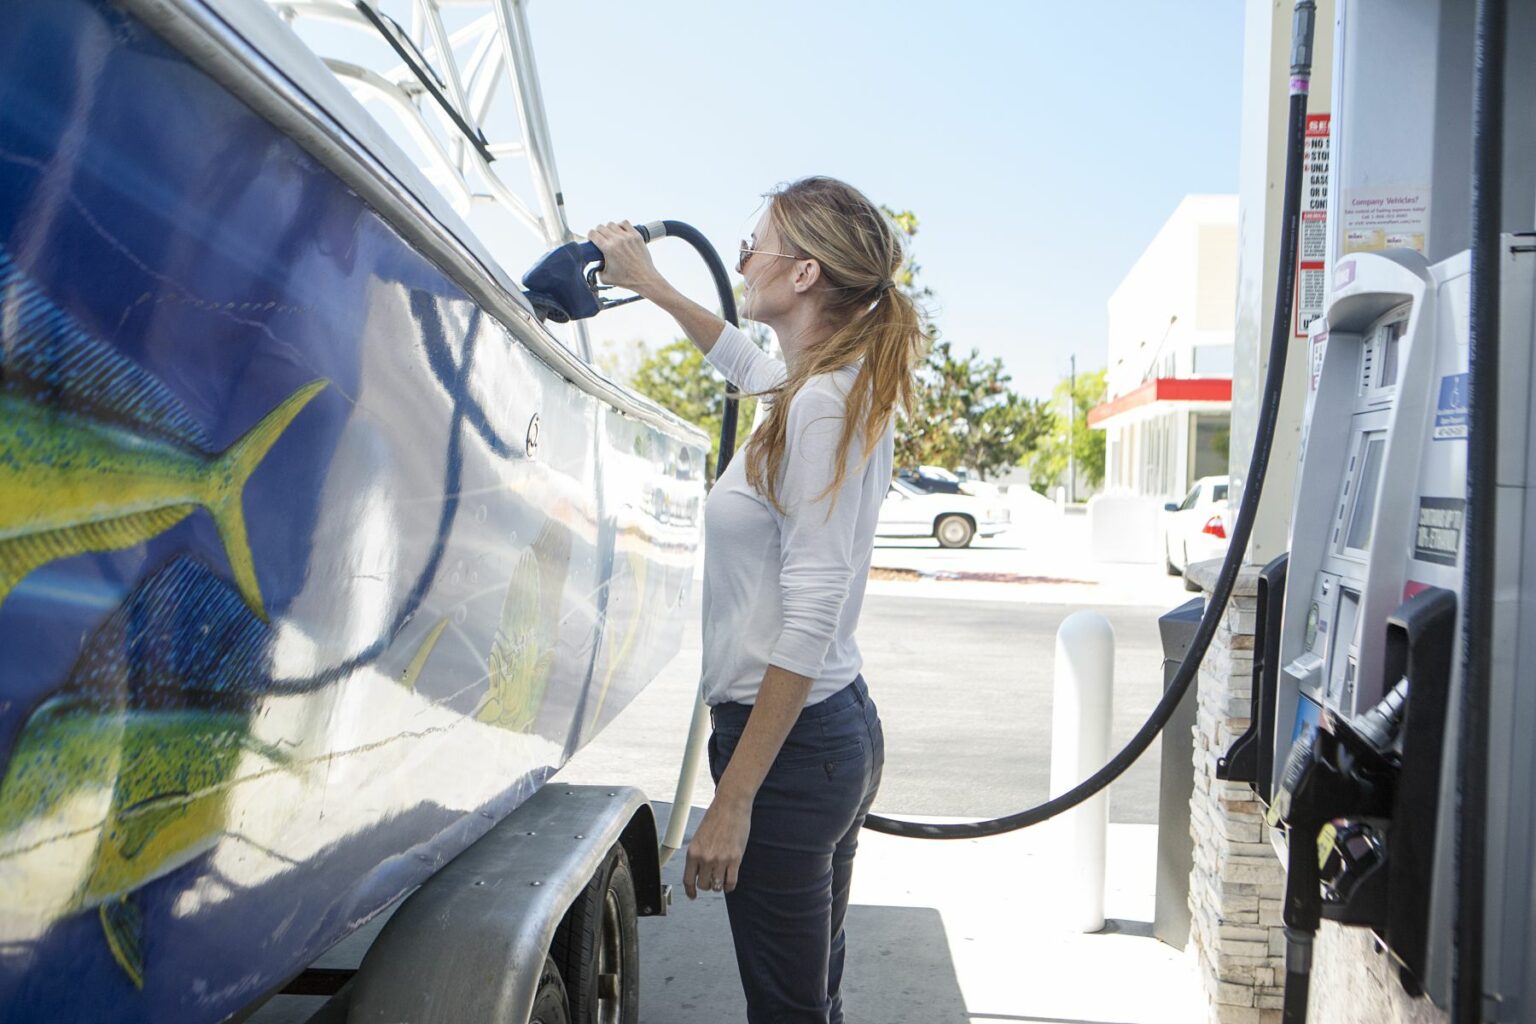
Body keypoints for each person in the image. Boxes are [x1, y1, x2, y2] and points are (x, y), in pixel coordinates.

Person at [588, 175, 927, 1024]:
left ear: (804, 273)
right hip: (831, 730)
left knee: (789, 1010)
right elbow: (744, 361)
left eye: (756, 245)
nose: (742, 260)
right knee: (813, 995)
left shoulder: (818, 405)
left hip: (788, 747)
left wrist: (733, 798)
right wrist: (655, 286)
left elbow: (810, 617)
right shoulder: (828, 385)